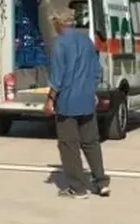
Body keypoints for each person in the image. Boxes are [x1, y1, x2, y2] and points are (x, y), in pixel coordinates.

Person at [44, 13, 110, 199]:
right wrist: (92, 91)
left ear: (59, 24)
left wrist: (50, 99)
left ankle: (78, 188)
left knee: (69, 145)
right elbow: (96, 71)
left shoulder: (60, 44)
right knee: (91, 143)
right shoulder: (87, 42)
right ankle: (101, 182)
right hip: (87, 100)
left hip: (67, 103)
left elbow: (57, 78)